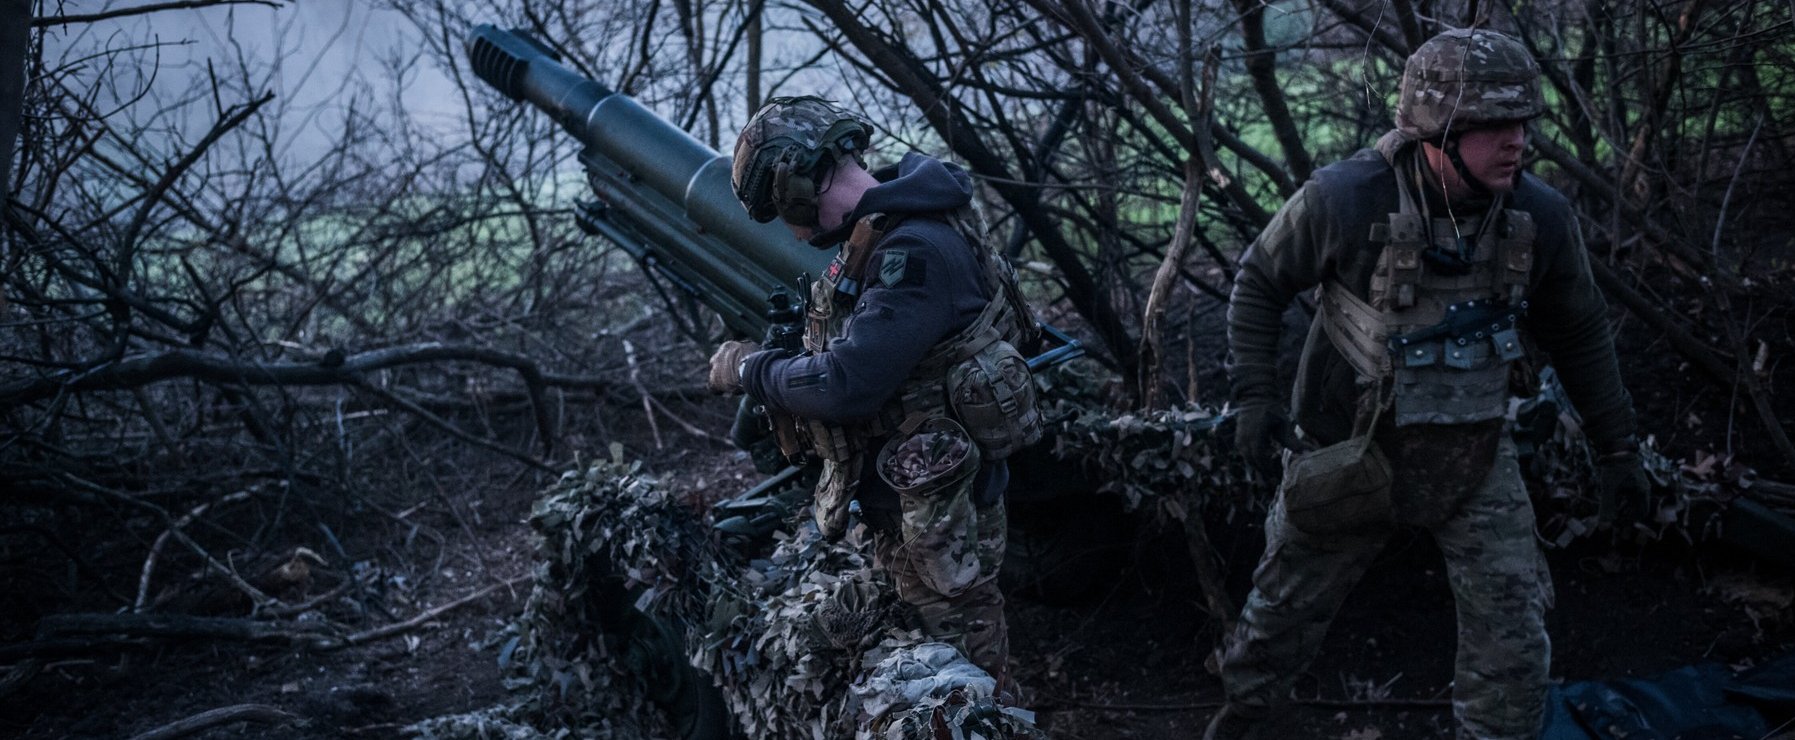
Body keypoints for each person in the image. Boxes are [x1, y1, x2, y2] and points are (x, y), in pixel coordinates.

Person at [1208, 29, 1652, 740]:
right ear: (1437, 134)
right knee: (1275, 627)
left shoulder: (1538, 217)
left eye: (1521, 125)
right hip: (1345, 452)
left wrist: (1616, 449)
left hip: (1472, 454)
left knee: (1513, 640)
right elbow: (1259, 281)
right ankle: (1247, 724)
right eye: (1492, 127)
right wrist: (1255, 397)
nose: (1515, 143)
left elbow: (1579, 333)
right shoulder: (1345, 200)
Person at [706, 96, 1041, 691]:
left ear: (794, 186)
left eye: (782, 211)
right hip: (918, 511)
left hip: (942, 524)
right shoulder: (892, 231)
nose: (792, 229)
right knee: (941, 690)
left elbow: (847, 385)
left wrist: (752, 369)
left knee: (969, 697)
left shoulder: (910, 252)